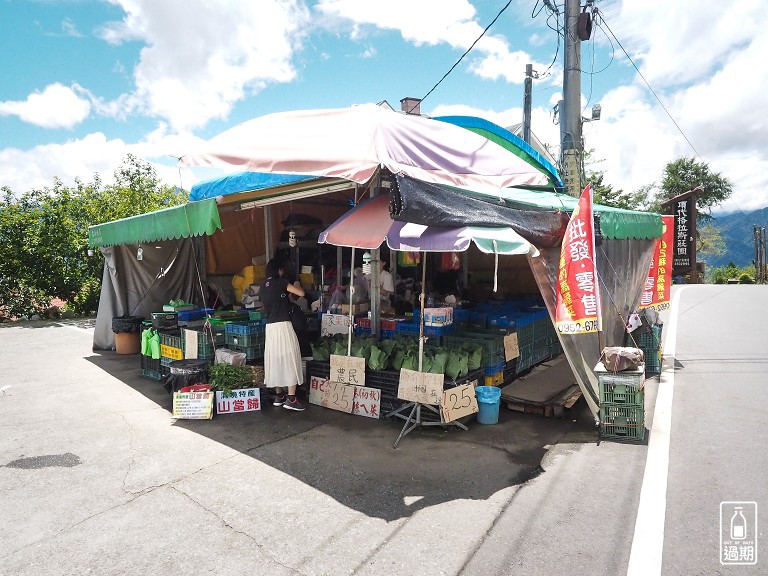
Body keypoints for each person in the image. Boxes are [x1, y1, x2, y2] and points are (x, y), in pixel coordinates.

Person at [260, 258, 307, 411]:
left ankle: (279, 395)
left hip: (270, 327)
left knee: (274, 359)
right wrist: (295, 286)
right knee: (290, 357)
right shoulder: (281, 282)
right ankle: (291, 398)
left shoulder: (263, 286)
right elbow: (301, 293)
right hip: (283, 325)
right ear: (278, 270)